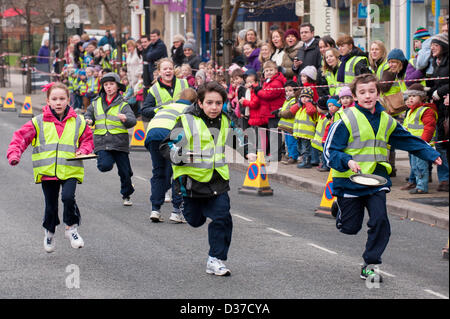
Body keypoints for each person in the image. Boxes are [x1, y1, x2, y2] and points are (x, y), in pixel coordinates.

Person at [324, 73, 441, 283]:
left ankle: (370, 264)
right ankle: (338, 207)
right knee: (350, 228)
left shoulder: (387, 120)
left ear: (378, 93)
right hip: (349, 180)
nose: (367, 96)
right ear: (354, 96)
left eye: (371, 91)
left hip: (376, 180)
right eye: (362, 92)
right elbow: (330, 152)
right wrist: (347, 161)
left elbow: (407, 139)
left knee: (380, 221)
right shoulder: (345, 119)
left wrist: (432, 154)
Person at [159, 81, 257, 276]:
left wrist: (248, 152)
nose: (214, 107)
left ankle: (216, 259)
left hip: (217, 179)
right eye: (210, 103)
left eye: (218, 103)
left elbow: (236, 137)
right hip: (191, 182)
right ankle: (192, 212)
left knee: (222, 217)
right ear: (201, 103)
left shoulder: (225, 120)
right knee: (195, 221)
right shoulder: (186, 120)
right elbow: (166, 147)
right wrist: (181, 155)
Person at [7, 82, 94, 252]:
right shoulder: (38, 122)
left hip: (70, 169)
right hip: (47, 171)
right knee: (51, 205)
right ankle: (49, 231)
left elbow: (88, 140)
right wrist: (14, 154)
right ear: (48, 101)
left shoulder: (78, 121)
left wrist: (83, 149)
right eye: (54, 99)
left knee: (68, 197)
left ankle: (71, 228)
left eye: (62, 98)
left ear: (68, 100)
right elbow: (21, 138)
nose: (58, 102)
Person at [84, 72, 137, 206]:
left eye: (111, 84)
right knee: (104, 166)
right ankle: (110, 159)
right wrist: (88, 119)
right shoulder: (96, 102)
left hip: (119, 143)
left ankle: (126, 194)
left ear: (118, 86)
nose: (108, 87)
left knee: (125, 172)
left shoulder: (123, 104)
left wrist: (126, 119)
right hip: (102, 142)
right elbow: (89, 112)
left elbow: (132, 120)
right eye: (106, 85)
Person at [146, 88, 198, 223]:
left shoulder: (167, 106)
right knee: (178, 171)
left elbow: (152, 113)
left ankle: (155, 209)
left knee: (158, 172)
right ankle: (177, 211)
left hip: (152, 133)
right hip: (170, 134)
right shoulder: (190, 109)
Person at [401, 83, 437, 194]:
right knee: (415, 166)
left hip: (420, 144)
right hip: (412, 144)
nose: (410, 98)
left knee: (421, 166)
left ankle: (422, 186)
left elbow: (429, 127)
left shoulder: (425, 111)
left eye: (414, 96)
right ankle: (418, 184)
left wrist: (424, 142)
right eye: (409, 96)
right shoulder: (411, 111)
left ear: (421, 97)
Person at [428, 33, 449, 192]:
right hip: (439, 109)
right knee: (440, 145)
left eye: (436, 44)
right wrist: (429, 93)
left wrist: (439, 92)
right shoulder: (436, 63)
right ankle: (444, 179)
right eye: (431, 45)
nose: (432, 47)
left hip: (447, 108)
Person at [256, 60, 286, 160]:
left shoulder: (277, 82)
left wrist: (259, 92)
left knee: (274, 135)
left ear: (276, 70)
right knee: (271, 134)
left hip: (274, 112)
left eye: (271, 70)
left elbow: (268, 95)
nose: (268, 72)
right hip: (269, 112)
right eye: (266, 70)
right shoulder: (268, 81)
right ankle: (271, 154)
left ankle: (275, 155)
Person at [291, 87, 317, 169]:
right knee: (300, 148)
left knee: (306, 149)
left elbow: (311, 111)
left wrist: (308, 103)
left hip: (306, 134)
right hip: (299, 133)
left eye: (307, 97)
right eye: (302, 97)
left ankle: (306, 162)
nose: (304, 99)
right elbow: (292, 110)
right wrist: (299, 104)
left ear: (311, 99)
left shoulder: (311, 107)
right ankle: (304, 160)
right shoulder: (300, 108)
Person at [276, 80, 300, 164]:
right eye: (286, 91)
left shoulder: (294, 101)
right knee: (287, 142)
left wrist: (279, 113)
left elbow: (289, 113)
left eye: (290, 90)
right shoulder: (287, 100)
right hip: (286, 126)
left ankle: (293, 157)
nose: (288, 93)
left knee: (292, 142)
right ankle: (290, 155)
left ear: (295, 91)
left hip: (291, 126)